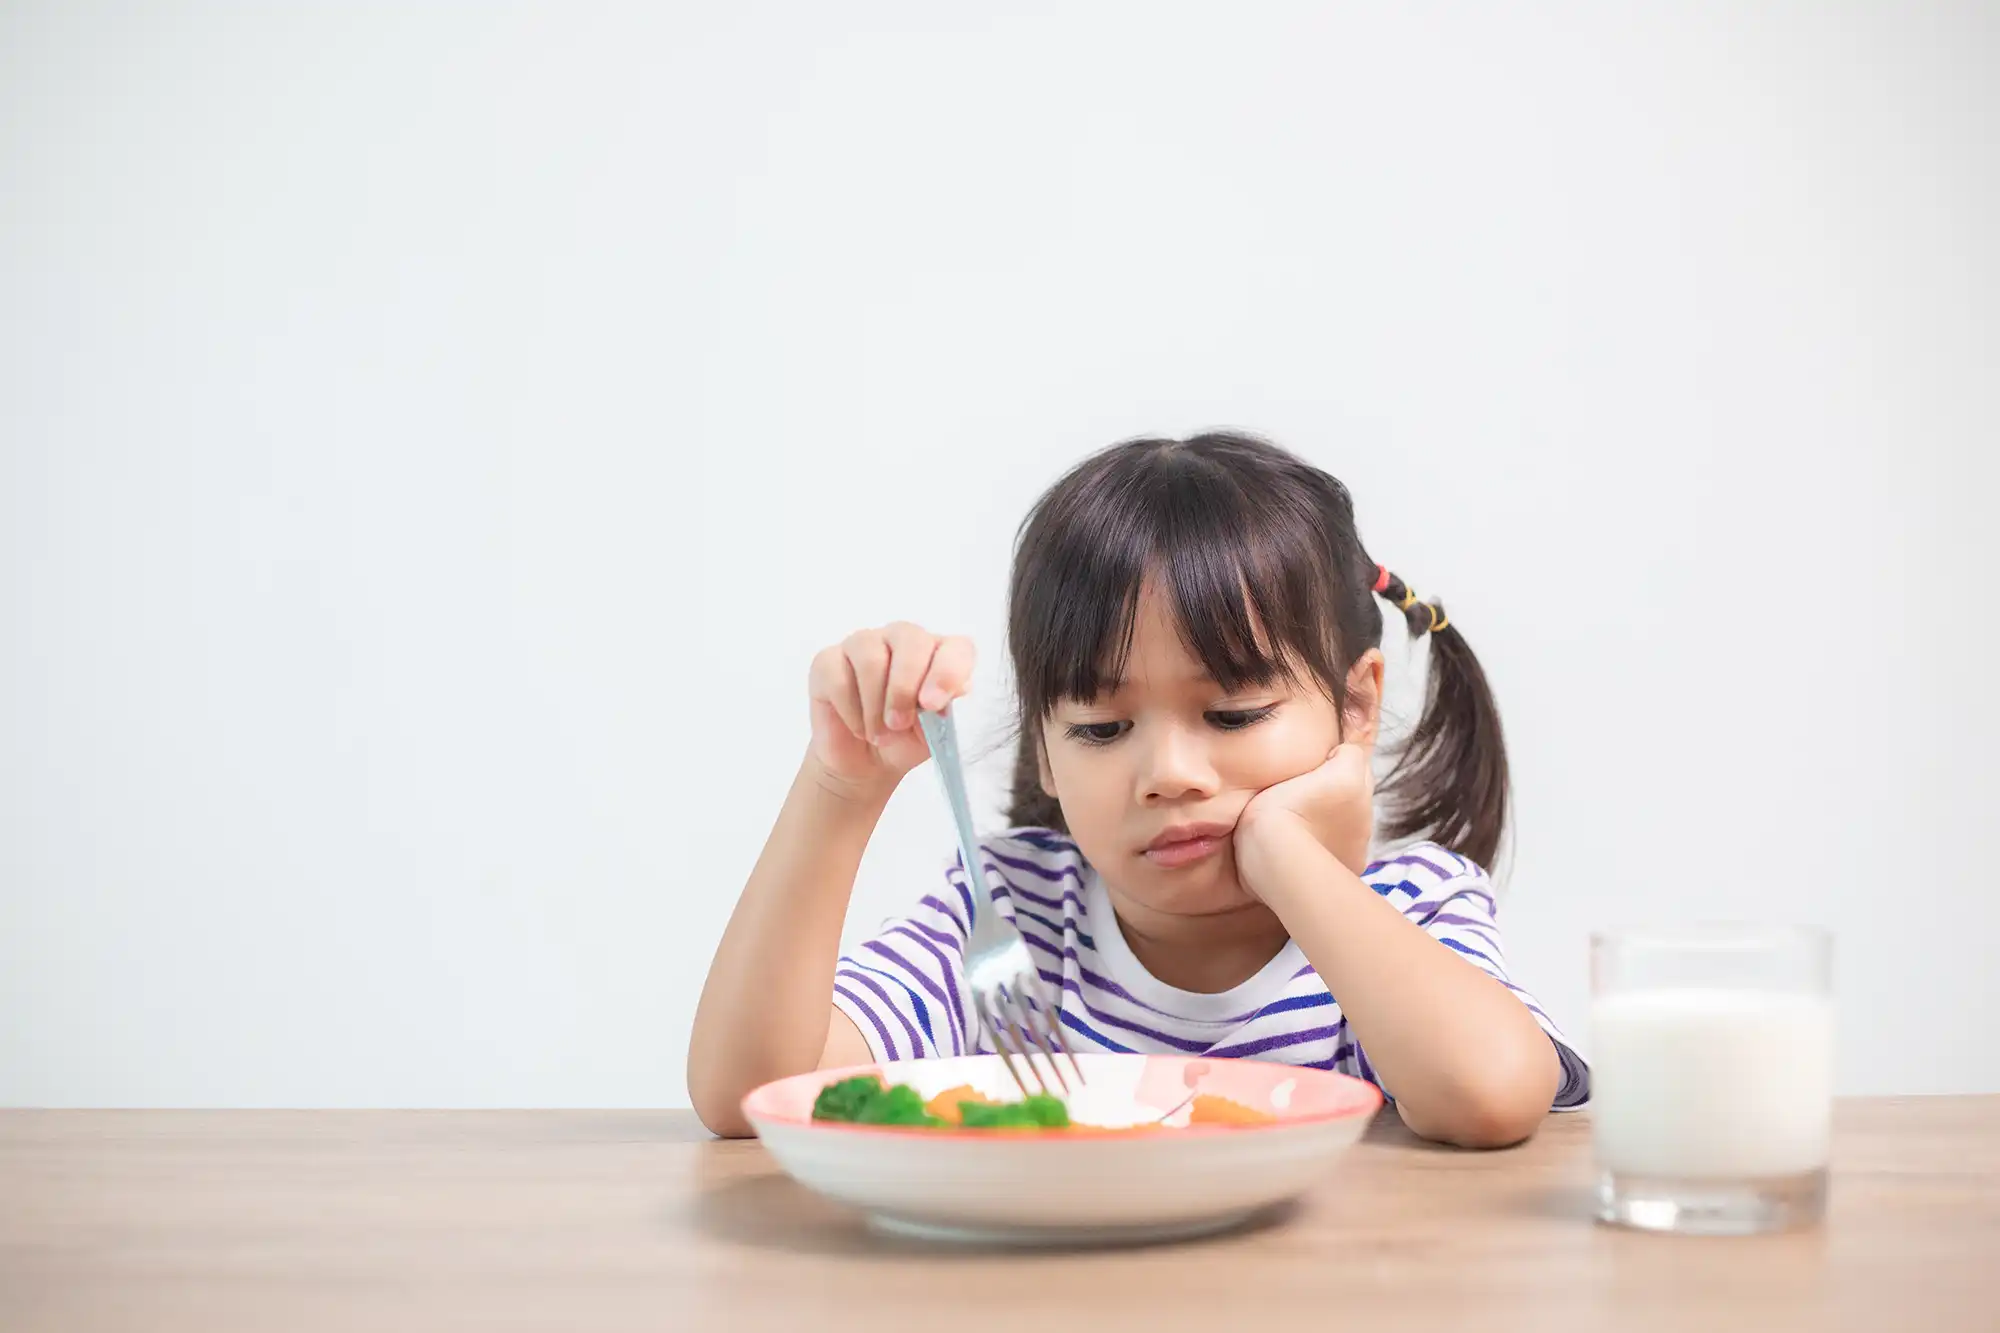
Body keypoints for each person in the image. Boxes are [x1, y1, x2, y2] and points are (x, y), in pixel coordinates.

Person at [688, 431, 1589, 1145]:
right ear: (1044, 747)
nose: (1168, 775)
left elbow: (1493, 1097)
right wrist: (840, 789)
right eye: (1101, 729)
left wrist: (1286, 857)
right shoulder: (1011, 914)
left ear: (1356, 704)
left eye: (1233, 714)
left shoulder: (1412, 910)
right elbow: (753, 1092)